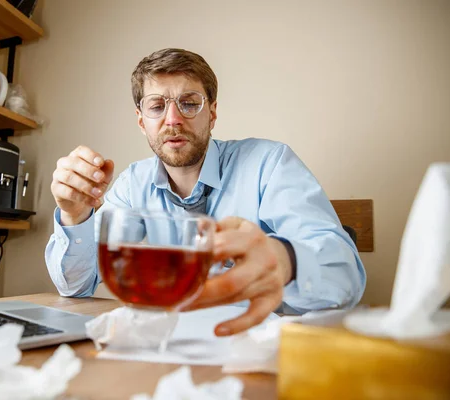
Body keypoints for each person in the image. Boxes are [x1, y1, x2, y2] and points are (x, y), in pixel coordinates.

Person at [46, 48, 366, 336]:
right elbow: (76, 286)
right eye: (157, 106)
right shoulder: (132, 185)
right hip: (164, 349)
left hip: (254, 350)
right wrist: (75, 215)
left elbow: (346, 279)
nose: (173, 120)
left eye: (189, 103)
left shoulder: (270, 164)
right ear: (142, 121)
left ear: (211, 112)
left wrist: (286, 260)